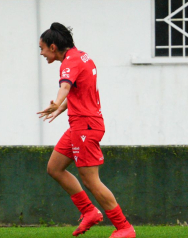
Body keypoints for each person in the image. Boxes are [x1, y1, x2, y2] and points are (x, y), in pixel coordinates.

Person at [37, 22, 136, 238]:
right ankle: (89, 211)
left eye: (42, 48)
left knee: (91, 180)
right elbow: (79, 90)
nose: (42, 53)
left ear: (53, 47)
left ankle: (124, 228)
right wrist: (62, 108)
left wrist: (57, 102)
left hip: (86, 126)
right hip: (80, 123)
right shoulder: (82, 56)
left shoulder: (68, 63)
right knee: (55, 168)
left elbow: (65, 87)